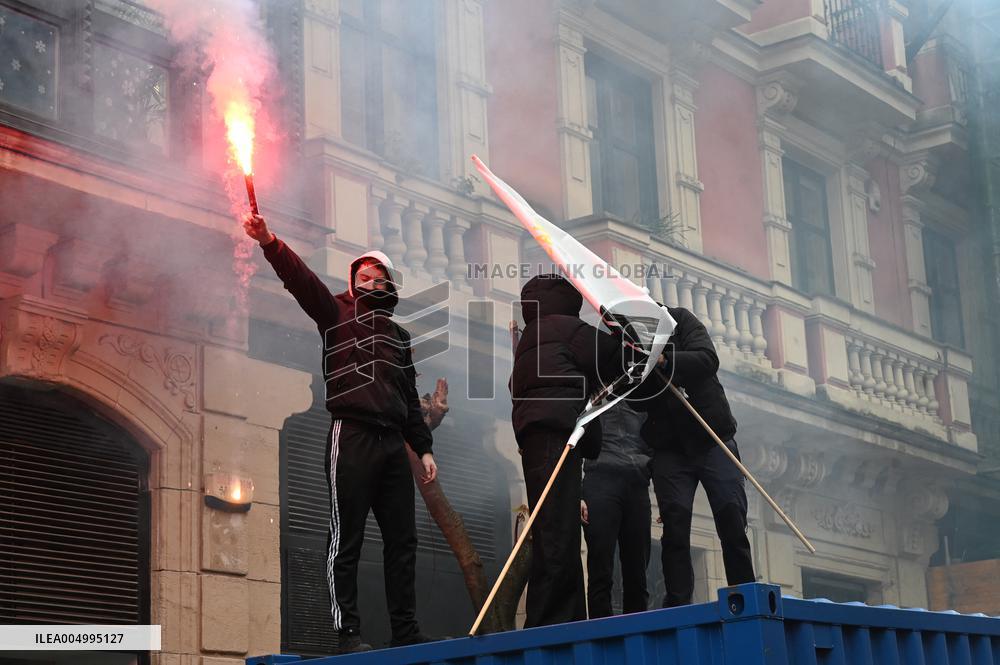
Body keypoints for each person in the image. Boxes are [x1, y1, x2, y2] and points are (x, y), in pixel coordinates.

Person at [244, 213, 437, 653]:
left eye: (375, 276)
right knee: (345, 535)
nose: (367, 280)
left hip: (393, 443)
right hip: (350, 435)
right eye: (361, 275)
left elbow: (409, 398)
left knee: (403, 541)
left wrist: (423, 448)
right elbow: (301, 280)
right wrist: (269, 241)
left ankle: (404, 629)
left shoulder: (400, 337)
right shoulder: (334, 312)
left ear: (389, 284)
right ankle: (347, 632)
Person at [510, 273, 628, 628]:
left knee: (555, 527)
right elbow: (615, 356)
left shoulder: (532, 335)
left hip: (538, 438)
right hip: (555, 436)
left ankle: (572, 618)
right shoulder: (565, 327)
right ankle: (548, 623)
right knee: (558, 534)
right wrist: (622, 326)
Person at [631, 305, 755, 607]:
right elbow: (634, 398)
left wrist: (665, 360)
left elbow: (707, 359)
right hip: (670, 449)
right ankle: (678, 603)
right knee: (674, 528)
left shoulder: (681, 320)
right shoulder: (631, 341)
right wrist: (644, 370)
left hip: (713, 438)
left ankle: (746, 596)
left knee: (731, 518)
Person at [580, 401, 652, 618]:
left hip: (637, 483)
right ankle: (601, 630)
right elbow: (573, 441)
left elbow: (653, 443)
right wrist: (577, 493)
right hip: (600, 479)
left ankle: (637, 629)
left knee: (637, 569)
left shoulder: (641, 398)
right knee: (600, 566)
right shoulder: (592, 396)